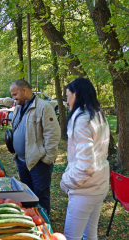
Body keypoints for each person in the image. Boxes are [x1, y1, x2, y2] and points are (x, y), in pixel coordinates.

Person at [60, 78, 110, 240]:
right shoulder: (97, 114)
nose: (67, 101)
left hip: (85, 190)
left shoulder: (82, 119)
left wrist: (66, 181)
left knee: (71, 237)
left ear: (77, 94)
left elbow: (86, 166)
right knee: (90, 235)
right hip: (98, 186)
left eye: (68, 96)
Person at [10, 79, 61, 216]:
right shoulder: (19, 107)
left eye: (15, 94)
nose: (14, 98)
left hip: (38, 162)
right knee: (27, 195)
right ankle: (31, 221)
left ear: (24, 91)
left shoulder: (44, 107)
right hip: (21, 161)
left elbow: (53, 135)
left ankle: (43, 222)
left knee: (40, 195)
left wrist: (47, 159)